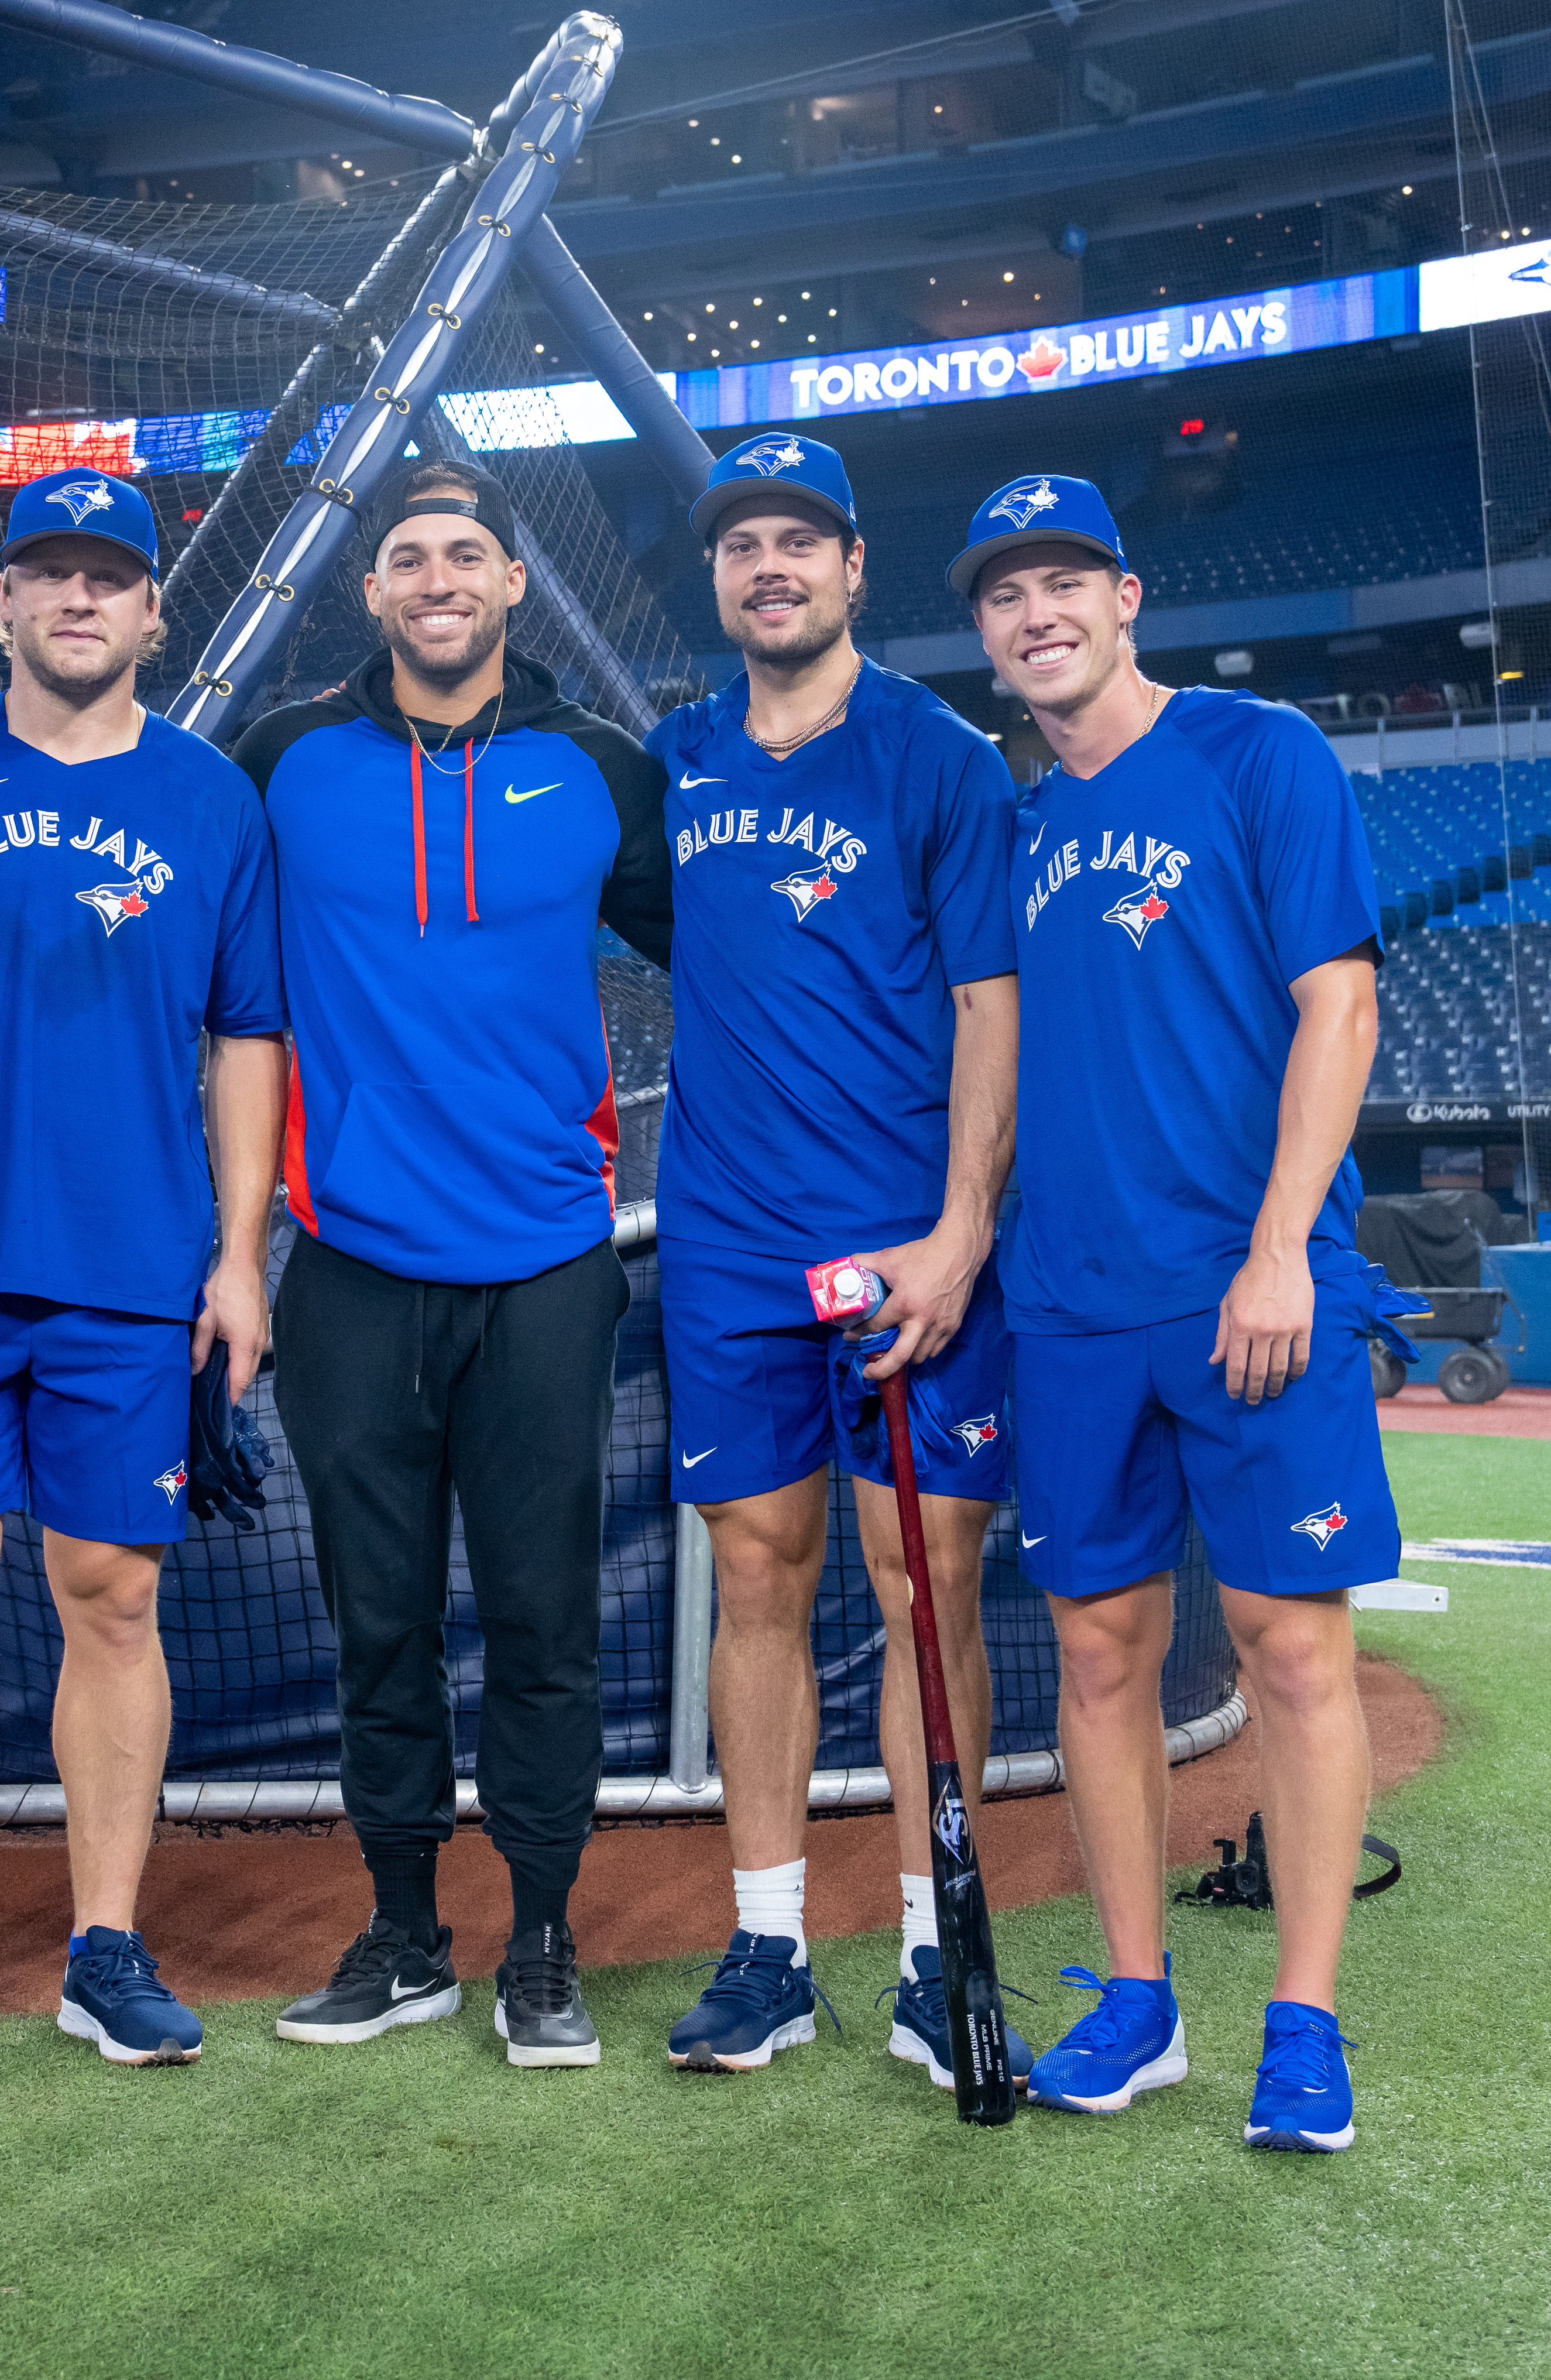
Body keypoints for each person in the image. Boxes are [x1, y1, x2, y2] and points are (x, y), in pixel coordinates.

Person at [959, 472, 1395, 2152]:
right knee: (1095, 1652)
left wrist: (1283, 1243)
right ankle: (1139, 2000)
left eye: (1066, 579)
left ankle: (1305, 2022)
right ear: (986, 631)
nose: (1037, 612)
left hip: (1249, 1292)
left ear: (1129, 597)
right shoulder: (1020, 830)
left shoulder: (1255, 753)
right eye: (1006, 593)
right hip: (1070, 1308)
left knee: (1291, 1653)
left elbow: (1338, 1006)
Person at [0, 468, 286, 2073]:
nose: (81, 599)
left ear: (155, 613)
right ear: (8, 603)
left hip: (133, 1271)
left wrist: (240, 1259)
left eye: (113, 576)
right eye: (50, 574)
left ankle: (107, 1941)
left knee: (114, 1598)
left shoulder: (214, 798)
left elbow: (249, 1036)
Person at [231, 458, 671, 2067]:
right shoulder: (279, 759)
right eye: (407, 553)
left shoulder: (603, 771)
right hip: (348, 1272)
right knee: (380, 1628)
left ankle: (541, 1944)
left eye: (465, 553)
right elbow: (203, 973)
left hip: (550, 1268)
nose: (436, 577)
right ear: (372, 591)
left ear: (511, 586)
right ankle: (405, 1933)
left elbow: (738, 950)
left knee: (550, 1621)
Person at [641, 433, 1027, 2081]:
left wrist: (959, 1231)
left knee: (924, 1586)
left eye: (803, 543)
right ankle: (772, 1942)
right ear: (720, 579)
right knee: (755, 1580)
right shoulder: (675, 756)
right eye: (745, 547)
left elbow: (992, 1011)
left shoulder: (941, 757)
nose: (772, 568)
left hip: (904, 1245)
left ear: (855, 569)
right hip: (727, 1245)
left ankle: (940, 1950)